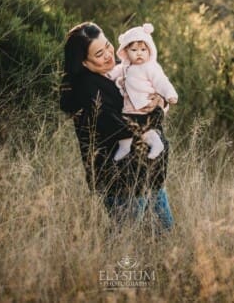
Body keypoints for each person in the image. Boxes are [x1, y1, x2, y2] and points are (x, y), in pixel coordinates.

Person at [59, 22, 174, 231]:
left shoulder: (124, 71)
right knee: (125, 241)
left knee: (162, 234)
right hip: (123, 180)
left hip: (149, 174)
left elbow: (150, 93)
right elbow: (120, 127)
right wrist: (157, 111)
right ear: (84, 62)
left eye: (108, 45)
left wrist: (161, 100)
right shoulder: (88, 89)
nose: (108, 55)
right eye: (99, 53)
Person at [109, 23, 178, 161]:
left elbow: (161, 81)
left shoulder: (151, 67)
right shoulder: (125, 66)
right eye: (134, 50)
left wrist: (170, 94)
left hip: (145, 105)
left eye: (143, 49)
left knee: (146, 130)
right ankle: (125, 147)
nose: (139, 53)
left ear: (150, 50)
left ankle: (156, 144)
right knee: (125, 129)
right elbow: (115, 72)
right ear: (126, 52)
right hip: (129, 108)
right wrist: (111, 76)